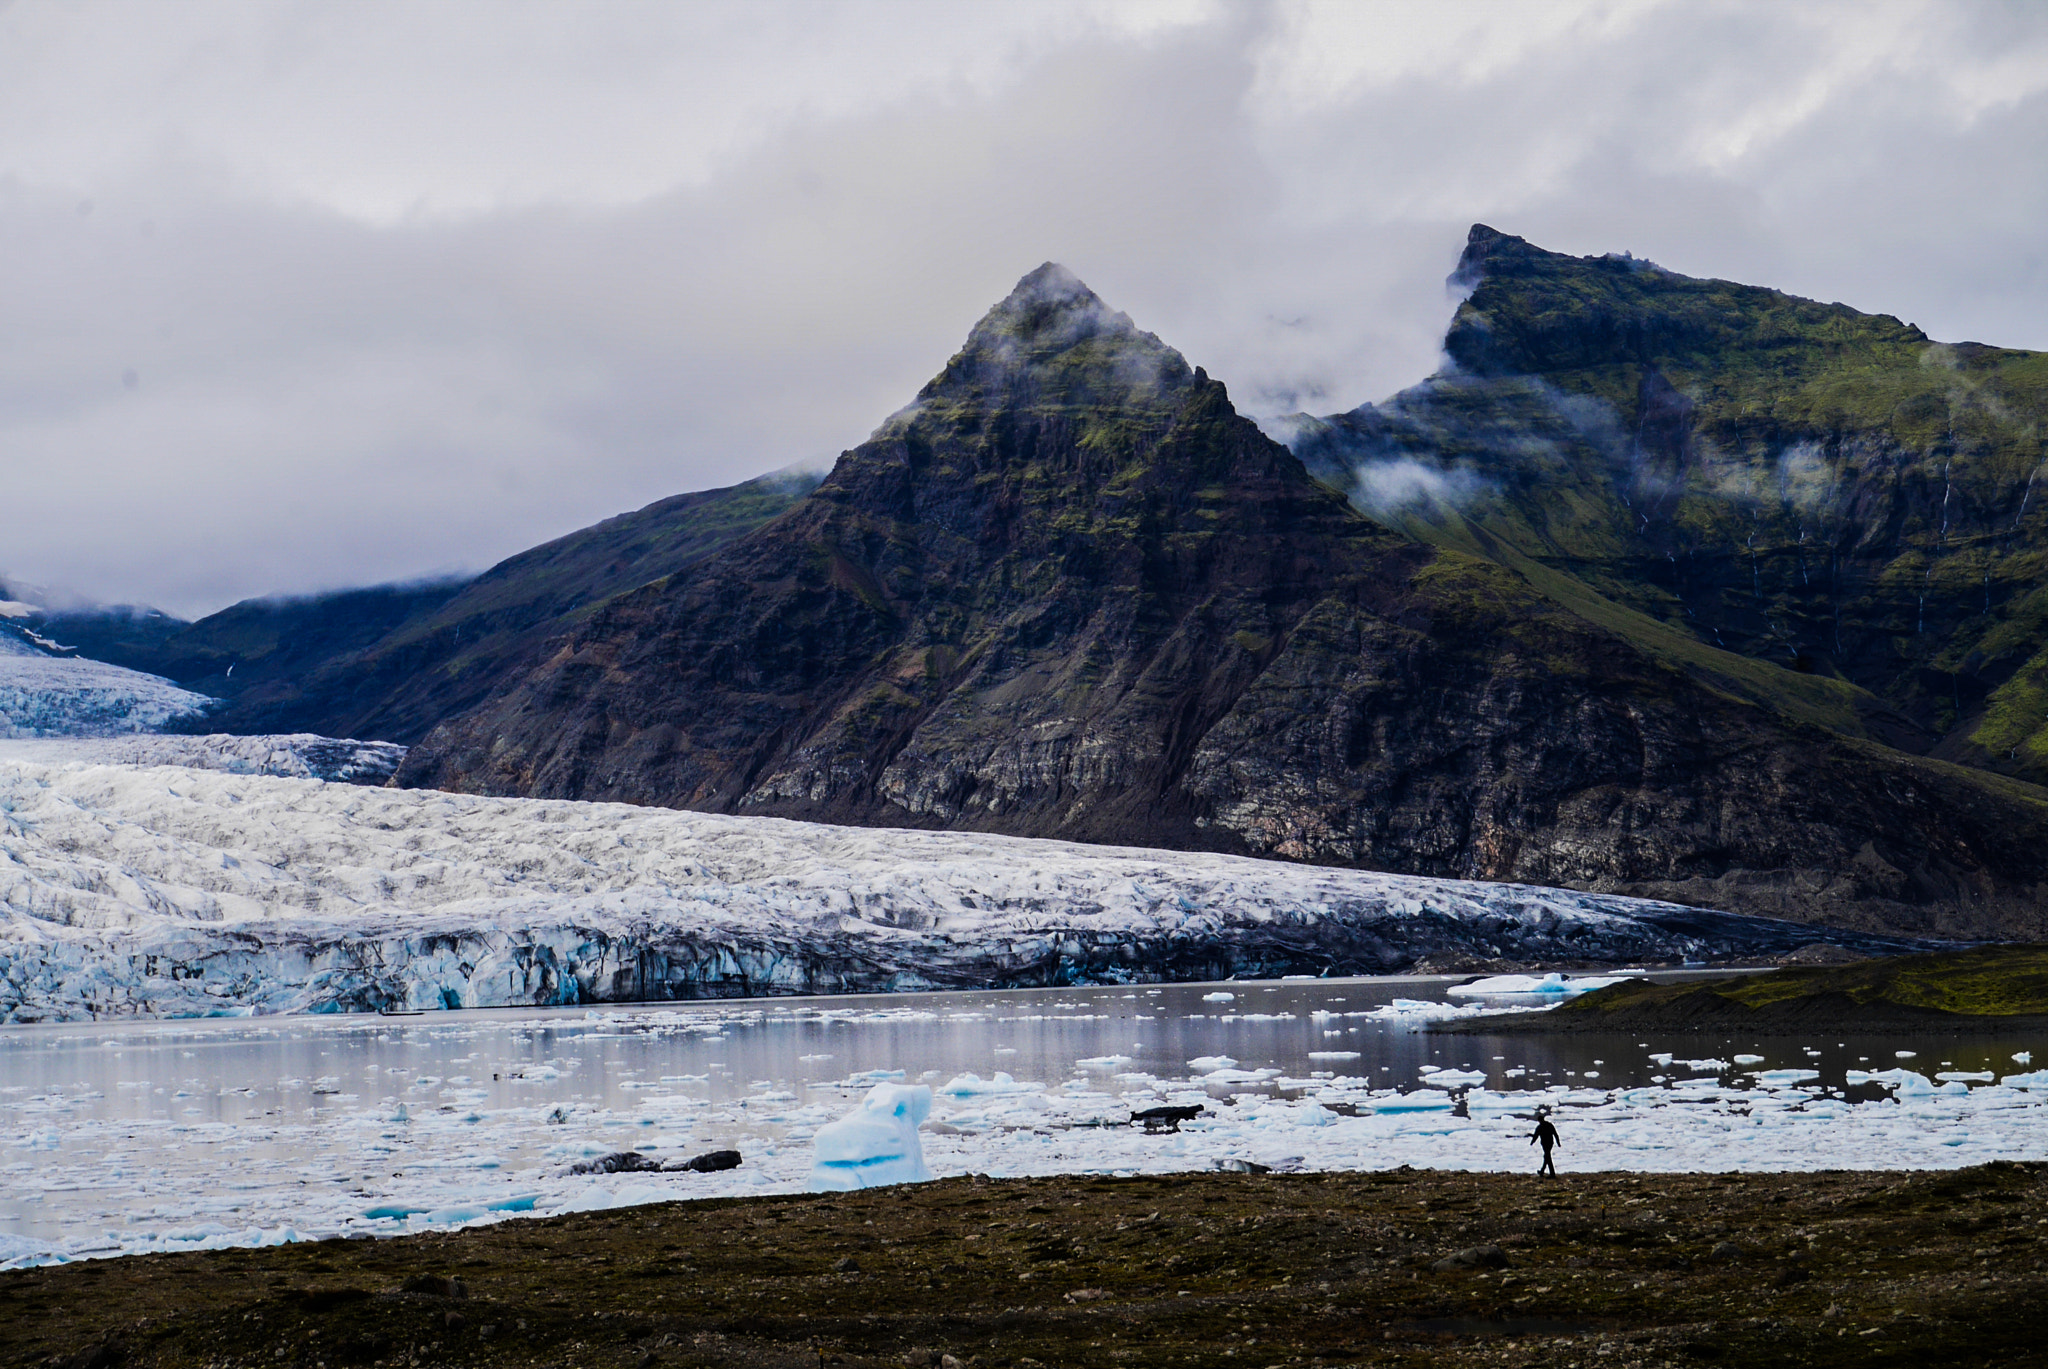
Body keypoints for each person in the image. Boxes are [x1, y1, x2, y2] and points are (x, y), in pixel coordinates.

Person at [1529, 1107, 1560, 1176]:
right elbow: (1555, 1134)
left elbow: (1535, 1136)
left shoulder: (1539, 1127)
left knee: (1547, 1157)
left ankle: (1552, 1174)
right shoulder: (1549, 1125)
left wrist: (1532, 1142)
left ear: (1539, 1121)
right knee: (1547, 1156)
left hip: (1545, 1144)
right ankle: (1542, 1171)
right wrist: (1558, 1143)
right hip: (1550, 1143)